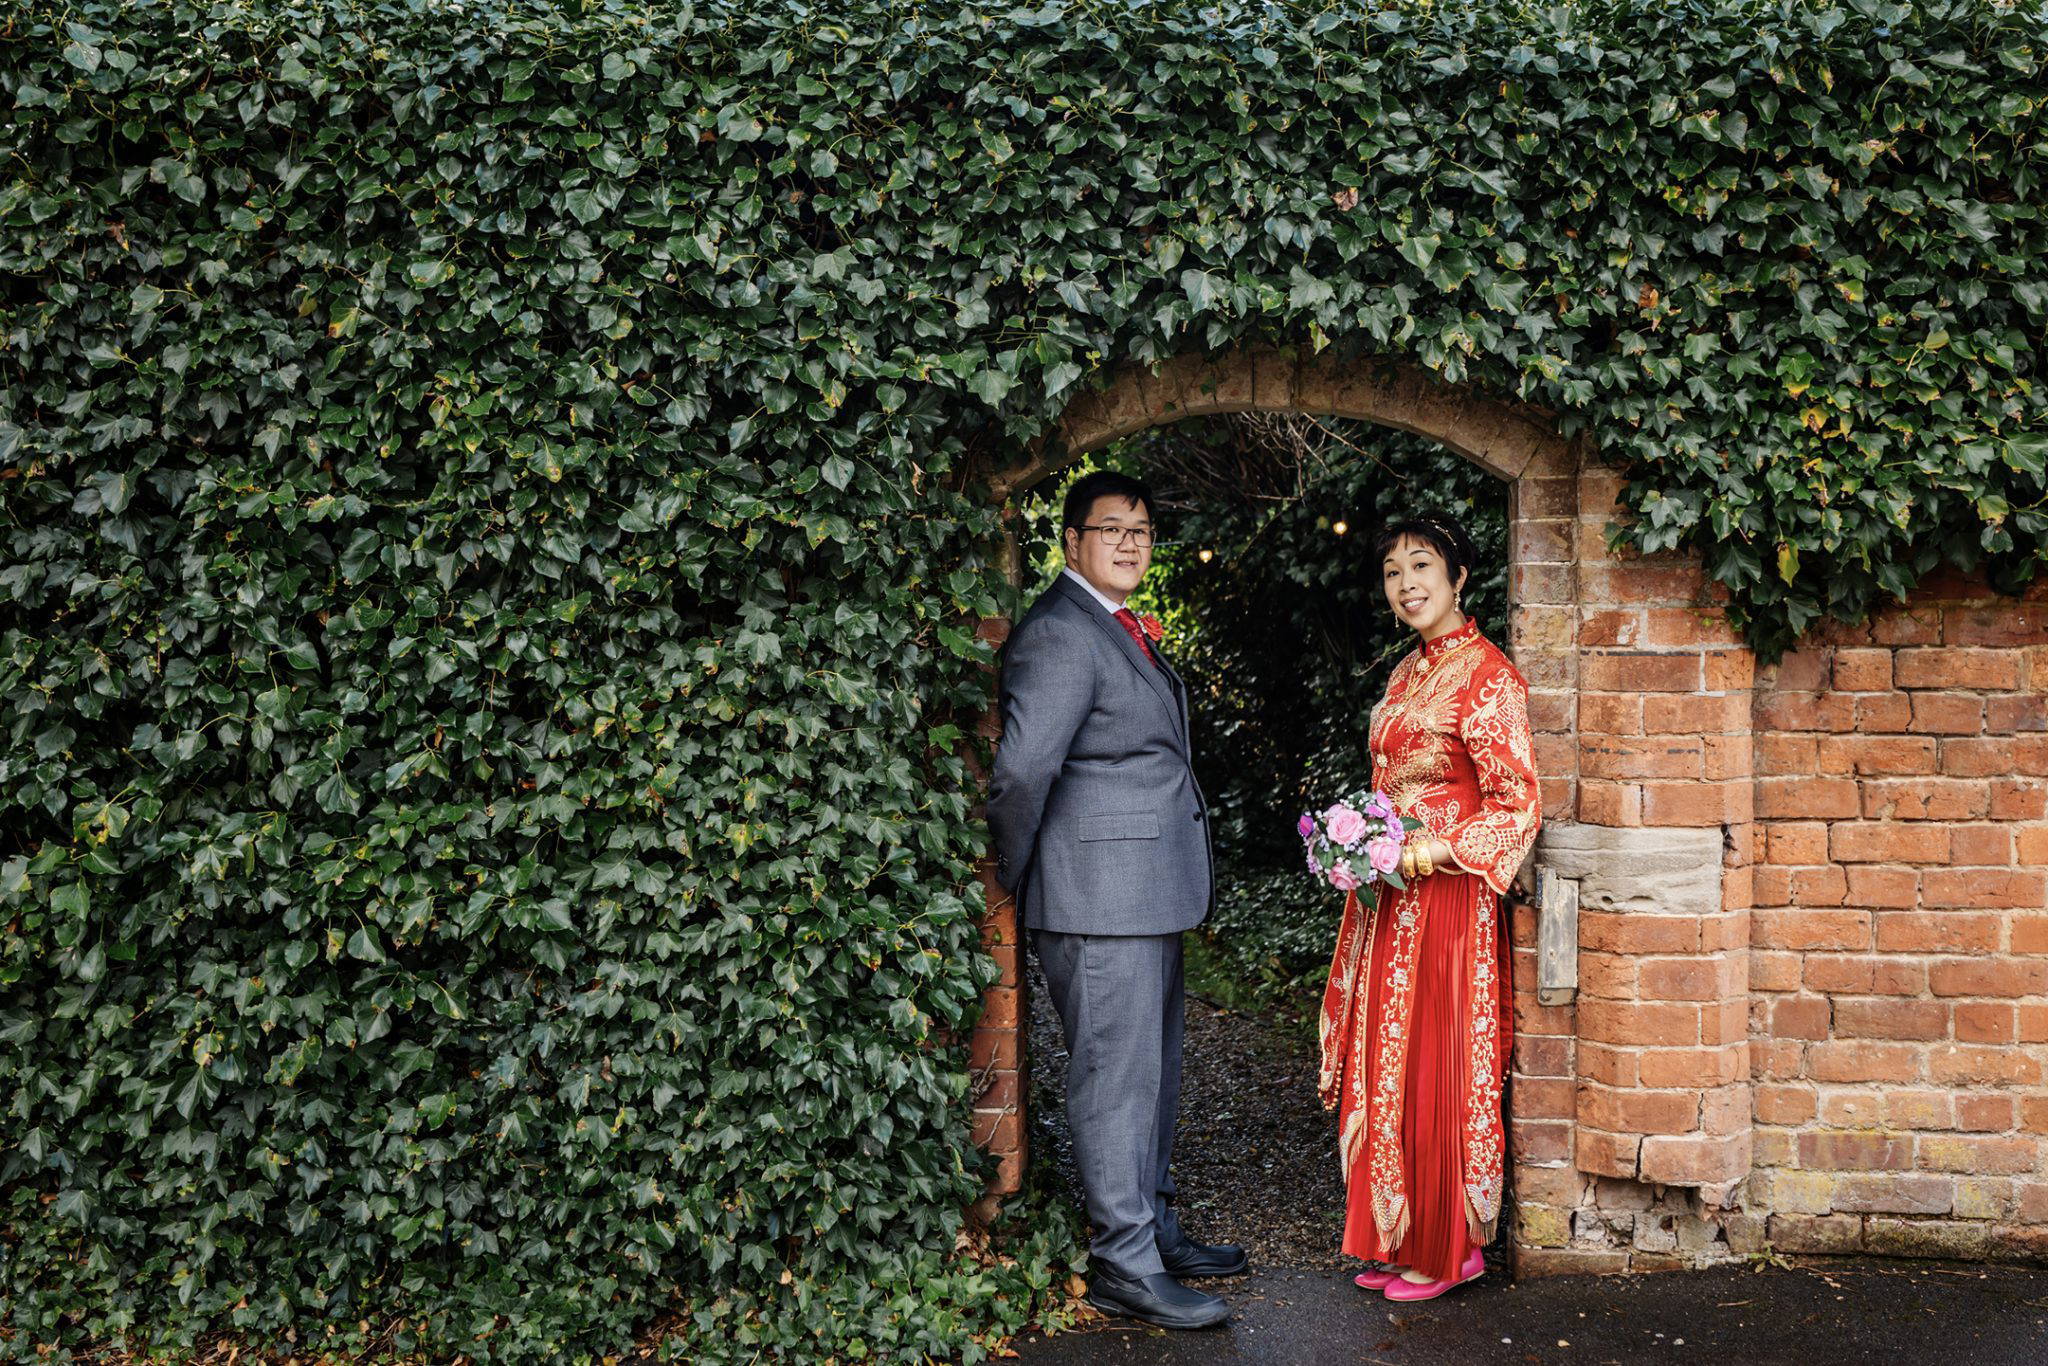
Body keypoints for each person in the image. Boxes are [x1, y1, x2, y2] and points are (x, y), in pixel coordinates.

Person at [986, 469, 1244, 1331]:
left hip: (1145, 894)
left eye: (1141, 530)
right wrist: (1021, 872)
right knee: (1114, 1083)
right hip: (1097, 898)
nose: (1130, 544)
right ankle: (1123, 1265)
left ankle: (1155, 1230)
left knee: (1153, 1076)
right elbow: (1023, 771)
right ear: (1072, 541)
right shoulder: (1061, 632)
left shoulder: (1113, 623)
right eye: (1111, 529)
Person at [1318, 513, 1540, 1302]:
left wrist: (1425, 851)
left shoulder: (1488, 676)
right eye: (1392, 572)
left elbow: (1518, 805)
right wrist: (1359, 841)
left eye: (1421, 566)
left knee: (1438, 1065)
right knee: (1392, 1065)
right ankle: (1399, 1232)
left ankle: (1452, 1251)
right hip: (1390, 903)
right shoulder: (1405, 673)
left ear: (1458, 578)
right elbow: (1391, 787)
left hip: (1448, 901)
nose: (1406, 584)